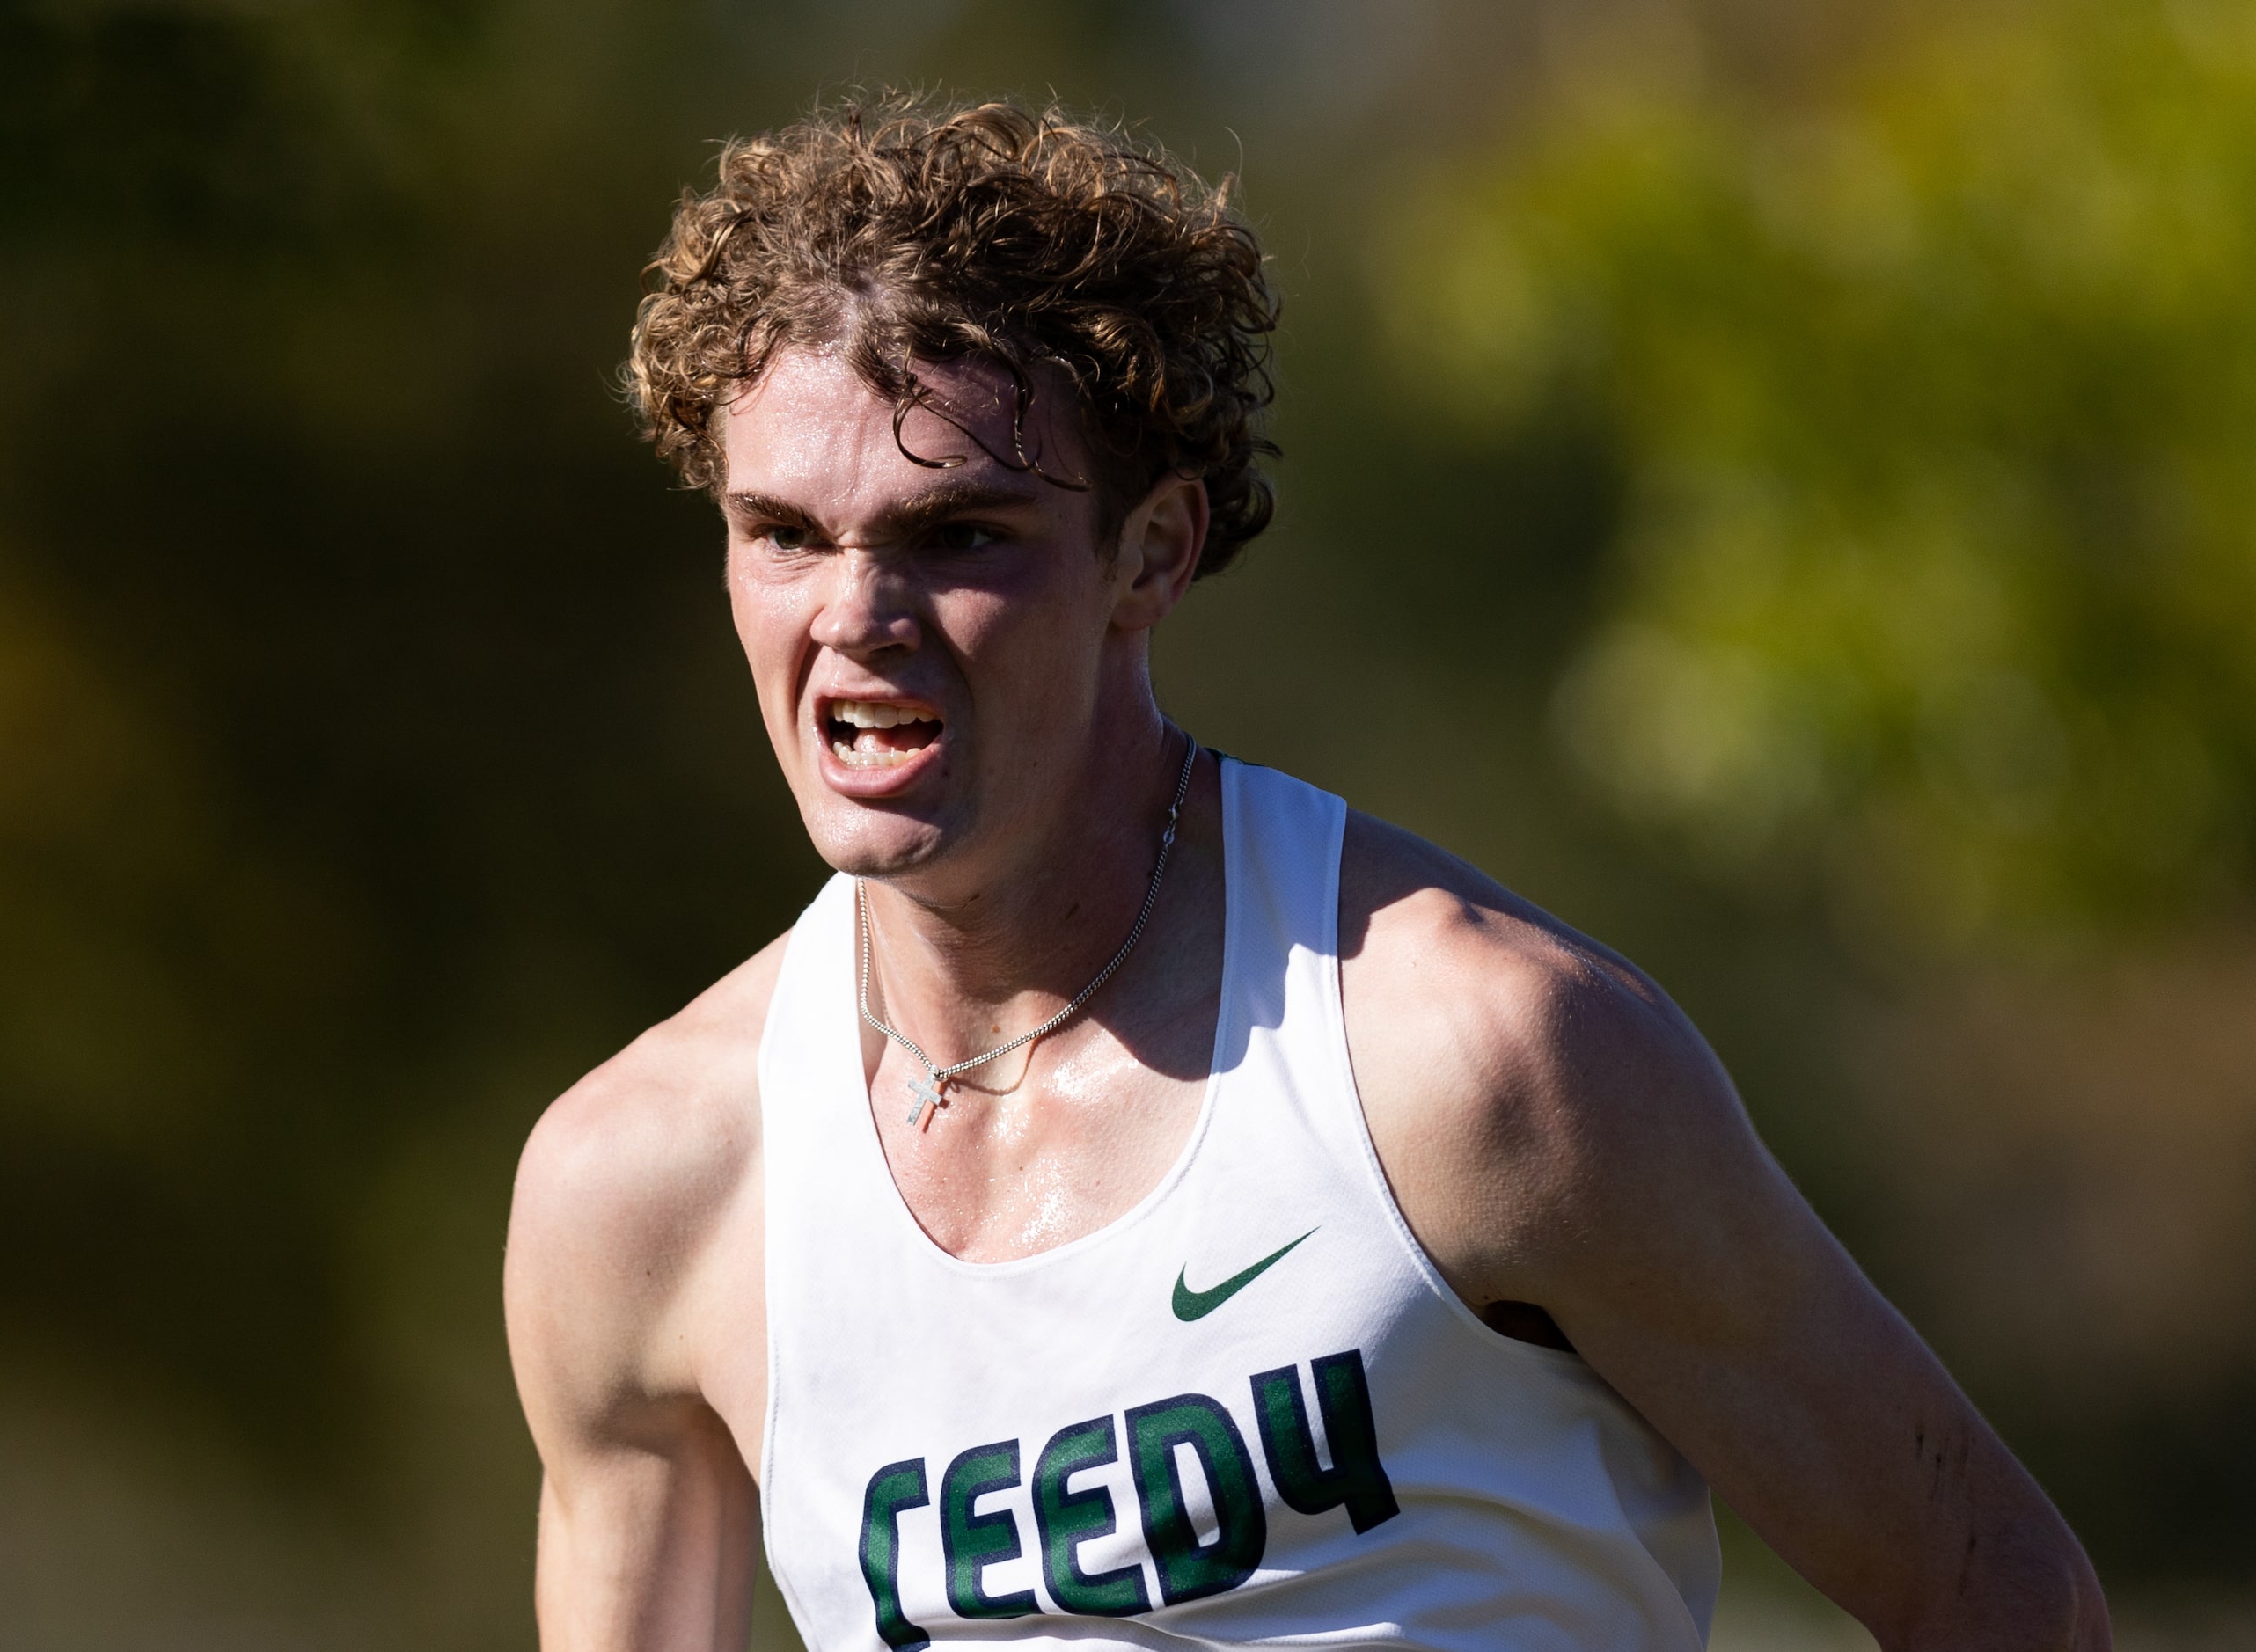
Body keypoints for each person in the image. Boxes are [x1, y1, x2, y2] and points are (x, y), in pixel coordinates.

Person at [503, 94, 2108, 1652]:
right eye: (783, 531)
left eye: (961, 534)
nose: (856, 617)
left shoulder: (1482, 1062)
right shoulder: (643, 1189)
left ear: (1154, 552)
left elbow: (1998, 1589)